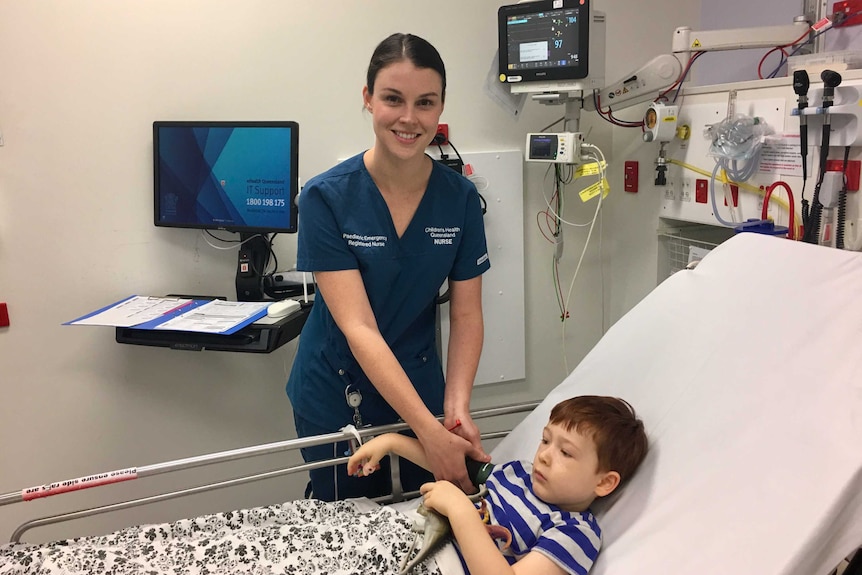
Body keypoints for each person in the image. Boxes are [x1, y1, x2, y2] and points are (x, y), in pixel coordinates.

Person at [286, 32, 491, 502]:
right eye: (393, 99)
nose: (409, 118)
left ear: (440, 109)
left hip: (420, 384)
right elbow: (358, 327)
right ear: (368, 99)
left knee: (426, 517)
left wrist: (454, 410)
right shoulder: (326, 198)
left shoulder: (458, 199)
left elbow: (466, 314)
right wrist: (428, 432)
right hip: (337, 389)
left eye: (425, 103)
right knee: (350, 518)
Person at [348, 395, 650, 575]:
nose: (544, 455)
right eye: (545, 440)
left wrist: (459, 510)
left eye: (566, 452)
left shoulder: (576, 532)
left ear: (605, 482)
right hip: (396, 535)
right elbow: (454, 469)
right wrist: (391, 442)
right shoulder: (518, 474)